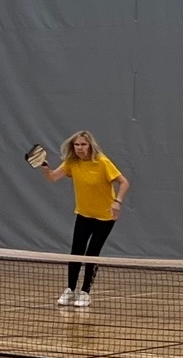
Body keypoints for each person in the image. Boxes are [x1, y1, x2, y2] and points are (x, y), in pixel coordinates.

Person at [38, 130, 130, 307]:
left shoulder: (102, 162)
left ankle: (85, 293)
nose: (79, 148)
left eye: (83, 144)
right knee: (76, 252)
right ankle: (70, 290)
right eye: (77, 145)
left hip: (105, 217)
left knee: (92, 254)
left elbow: (124, 182)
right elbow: (52, 178)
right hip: (83, 214)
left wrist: (117, 201)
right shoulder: (71, 162)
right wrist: (46, 169)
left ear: (90, 145)